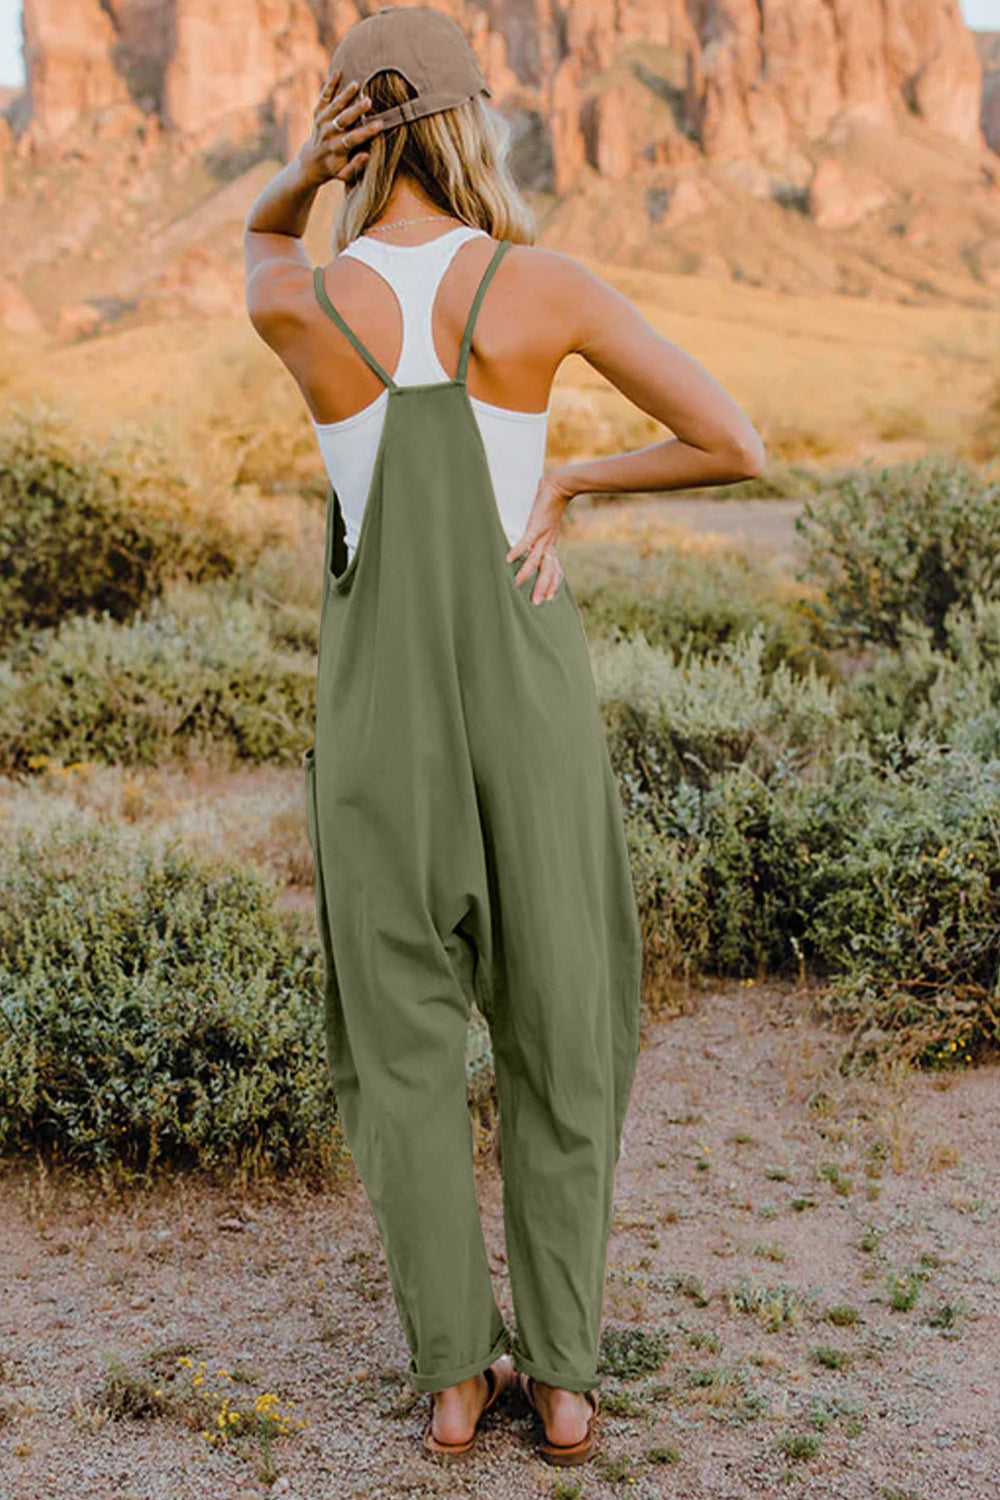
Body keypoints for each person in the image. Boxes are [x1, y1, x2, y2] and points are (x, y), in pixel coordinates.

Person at [243, 4, 765, 1469]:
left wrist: (300, 172)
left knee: (401, 1045)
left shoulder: (304, 301)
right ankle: (572, 1379)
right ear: (471, 120)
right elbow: (738, 440)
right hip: (528, 706)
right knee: (563, 1030)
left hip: (376, 723)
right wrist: (577, 479)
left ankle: (455, 1383)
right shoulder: (541, 287)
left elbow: (257, 253)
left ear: (354, 130)